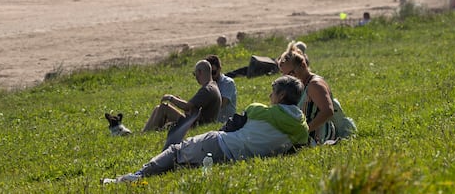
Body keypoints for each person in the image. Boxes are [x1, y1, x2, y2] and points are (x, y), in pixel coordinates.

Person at [104, 75, 308, 183]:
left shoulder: (259, 111)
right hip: (233, 158)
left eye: (273, 92)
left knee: (176, 151)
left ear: (281, 96)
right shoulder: (301, 128)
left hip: (220, 144)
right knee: (182, 162)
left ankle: (135, 176)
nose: (269, 96)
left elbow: (231, 125)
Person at [277, 42, 336, 144]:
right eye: (284, 75)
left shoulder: (315, 85)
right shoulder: (299, 84)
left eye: (291, 73)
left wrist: (306, 130)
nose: (289, 78)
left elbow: (328, 111)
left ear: (303, 65)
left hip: (319, 136)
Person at [142, 60, 221, 132]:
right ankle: (144, 132)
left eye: (195, 74)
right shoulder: (212, 86)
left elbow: (187, 106)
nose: (195, 78)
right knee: (157, 108)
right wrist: (178, 101)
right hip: (194, 122)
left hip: (194, 125)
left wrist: (171, 98)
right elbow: (193, 108)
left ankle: (146, 133)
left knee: (164, 108)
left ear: (199, 72)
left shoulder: (207, 89)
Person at [205, 55, 237, 123]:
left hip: (225, 122)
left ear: (219, 69)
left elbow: (221, 104)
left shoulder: (228, 83)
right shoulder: (207, 83)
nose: (211, 76)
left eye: (213, 72)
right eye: (208, 73)